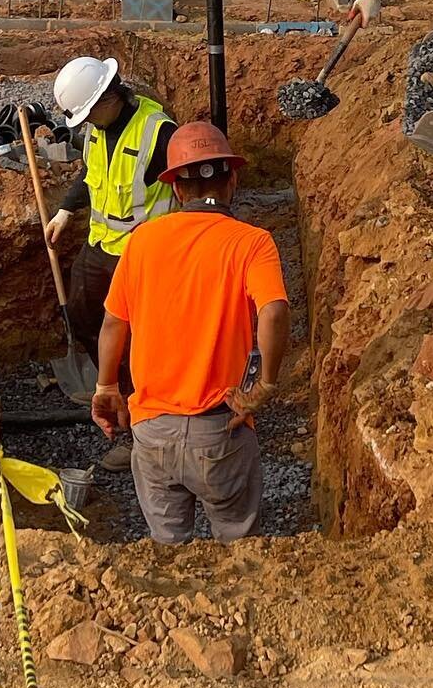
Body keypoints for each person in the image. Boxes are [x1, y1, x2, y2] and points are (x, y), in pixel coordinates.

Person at [91, 122, 290, 543]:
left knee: (168, 552)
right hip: (220, 432)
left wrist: (106, 384)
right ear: (232, 178)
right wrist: (267, 383)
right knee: (239, 549)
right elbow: (273, 312)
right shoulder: (252, 243)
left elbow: (114, 322)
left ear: (177, 190)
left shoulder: (142, 241)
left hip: (153, 431)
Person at [48, 55, 175, 468]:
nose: (85, 123)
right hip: (101, 246)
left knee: (142, 342)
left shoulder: (160, 133)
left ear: (108, 96)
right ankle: (115, 387)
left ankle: (144, 429)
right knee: (82, 314)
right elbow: (90, 176)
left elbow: (192, 189)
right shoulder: (97, 133)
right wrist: (66, 211)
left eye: (87, 113)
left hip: (145, 255)